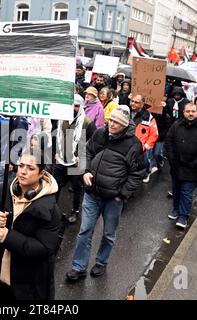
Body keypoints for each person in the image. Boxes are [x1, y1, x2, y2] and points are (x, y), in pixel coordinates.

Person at [66, 105, 146, 282]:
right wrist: (85, 171)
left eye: (118, 122)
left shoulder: (133, 145)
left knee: (108, 234)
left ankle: (101, 262)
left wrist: (122, 194)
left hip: (113, 200)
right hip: (92, 193)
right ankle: (78, 266)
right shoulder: (100, 133)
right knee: (85, 230)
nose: (113, 125)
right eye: (112, 120)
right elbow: (86, 151)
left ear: (125, 125)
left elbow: (138, 172)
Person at [0, 149, 61, 300]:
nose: (23, 171)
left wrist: (9, 236)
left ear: (41, 173)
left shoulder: (50, 208)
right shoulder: (6, 191)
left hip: (27, 286)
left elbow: (46, 248)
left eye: (30, 168)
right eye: (21, 166)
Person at [165, 103, 197, 229]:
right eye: (188, 111)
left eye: (193, 111)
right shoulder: (176, 125)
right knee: (176, 190)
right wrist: (171, 158)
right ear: (183, 112)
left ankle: (183, 216)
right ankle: (176, 210)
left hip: (192, 167)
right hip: (176, 165)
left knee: (186, 192)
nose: (190, 114)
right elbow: (168, 141)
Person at [54, 94, 92, 223]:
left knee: (76, 188)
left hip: (76, 162)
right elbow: (57, 135)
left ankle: (75, 211)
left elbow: (92, 143)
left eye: (76, 106)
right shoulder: (62, 118)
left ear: (81, 107)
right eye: (72, 105)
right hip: (61, 159)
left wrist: (82, 158)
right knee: (56, 186)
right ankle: (52, 210)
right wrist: (56, 151)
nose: (73, 108)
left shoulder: (87, 122)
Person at [130, 95, 159, 183]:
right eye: (132, 101)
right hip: (129, 145)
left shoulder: (148, 117)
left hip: (143, 148)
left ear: (142, 104)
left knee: (146, 161)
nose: (133, 103)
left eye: (136, 102)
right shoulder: (126, 113)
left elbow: (154, 134)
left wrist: (145, 147)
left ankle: (147, 173)